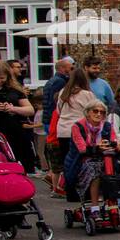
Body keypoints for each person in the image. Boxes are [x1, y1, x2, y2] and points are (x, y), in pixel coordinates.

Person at [55, 67, 98, 202]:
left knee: (67, 163)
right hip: (78, 130)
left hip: (62, 130)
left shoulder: (63, 92)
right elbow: (93, 111)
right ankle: (83, 192)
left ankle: (70, 193)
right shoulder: (87, 94)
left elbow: (58, 110)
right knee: (81, 163)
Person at [70, 102, 120, 205]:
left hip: (105, 158)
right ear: (88, 112)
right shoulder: (78, 126)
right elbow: (82, 149)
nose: (99, 114)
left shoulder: (107, 126)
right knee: (95, 170)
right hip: (82, 160)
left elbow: (114, 140)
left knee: (118, 171)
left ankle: (115, 204)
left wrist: (116, 145)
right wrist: (97, 147)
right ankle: (94, 206)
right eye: (95, 111)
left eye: (102, 112)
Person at [42, 56, 74, 191]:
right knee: (59, 155)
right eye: (70, 67)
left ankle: (54, 181)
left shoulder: (52, 81)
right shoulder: (60, 82)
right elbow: (56, 102)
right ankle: (57, 184)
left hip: (49, 118)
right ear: (62, 68)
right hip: (53, 119)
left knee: (55, 154)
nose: (72, 69)